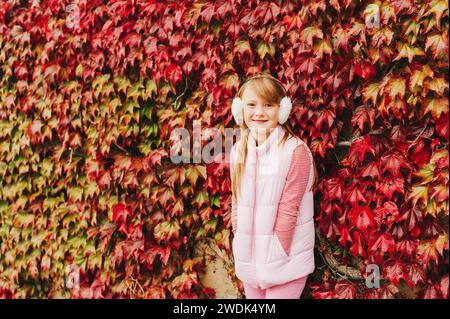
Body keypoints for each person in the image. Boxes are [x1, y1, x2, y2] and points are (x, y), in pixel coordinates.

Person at [229, 73, 317, 299]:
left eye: (268, 105)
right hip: (250, 264)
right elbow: (236, 201)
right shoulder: (239, 151)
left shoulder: (295, 151)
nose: (259, 112)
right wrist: (239, 239)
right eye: (251, 105)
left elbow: (290, 209)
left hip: (285, 262)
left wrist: (278, 251)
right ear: (240, 110)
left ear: (283, 110)